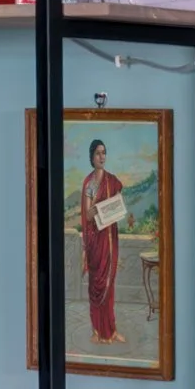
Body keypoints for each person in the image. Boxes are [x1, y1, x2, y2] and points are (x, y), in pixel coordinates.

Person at [79, 137, 126, 346]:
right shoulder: (89, 184)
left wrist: (111, 207)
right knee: (95, 286)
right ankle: (97, 331)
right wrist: (100, 208)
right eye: (98, 153)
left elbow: (118, 204)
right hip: (95, 242)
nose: (102, 156)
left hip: (110, 240)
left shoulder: (112, 180)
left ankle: (112, 331)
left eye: (104, 152)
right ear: (92, 157)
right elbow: (88, 216)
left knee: (110, 286)